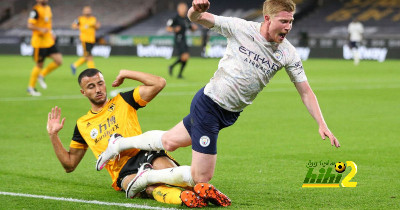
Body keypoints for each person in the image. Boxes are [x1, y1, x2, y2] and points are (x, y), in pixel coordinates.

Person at [97, 0, 340, 206]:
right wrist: (195, 9)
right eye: (284, 21)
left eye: (291, 22)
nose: (288, 27)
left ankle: (119, 143)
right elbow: (198, 18)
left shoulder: (288, 53)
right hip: (209, 104)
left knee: (170, 140)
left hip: (229, 114)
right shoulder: (240, 28)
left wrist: (322, 123)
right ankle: (144, 179)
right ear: (267, 18)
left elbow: (305, 91)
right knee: (201, 176)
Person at [46, 68, 199, 205]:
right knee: (147, 188)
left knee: (182, 180)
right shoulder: (82, 124)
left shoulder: (124, 100)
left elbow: (159, 83)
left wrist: (126, 73)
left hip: (145, 154)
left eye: (100, 83)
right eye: (91, 87)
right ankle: (183, 198)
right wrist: (53, 135)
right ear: (83, 92)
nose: (98, 89)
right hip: (123, 172)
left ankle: (202, 192)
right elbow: (69, 165)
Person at [27, 0, 62, 96]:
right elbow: (30, 25)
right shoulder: (35, 11)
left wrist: (51, 32)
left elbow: (47, 24)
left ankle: (41, 75)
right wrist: (40, 29)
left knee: (59, 61)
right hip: (39, 42)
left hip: (49, 41)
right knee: (39, 65)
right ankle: (31, 88)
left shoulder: (48, 8)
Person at [166, 2, 198, 79]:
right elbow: (168, 28)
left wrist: (194, 28)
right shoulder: (175, 18)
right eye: (182, 8)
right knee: (185, 56)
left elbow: (191, 29)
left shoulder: (186, 19)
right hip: (178, 39)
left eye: (185, 8)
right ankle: (174, 69)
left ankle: (174, 69)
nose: (184, 10)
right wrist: (174, 29)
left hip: (184, 39)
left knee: (186, 57)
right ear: (178, 9)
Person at [70, 6, 100, 75]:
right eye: (86, 10)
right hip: (85, 39)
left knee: (86, 56)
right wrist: (81, 27)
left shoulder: (93, 19)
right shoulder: (80, 19)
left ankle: (74, 65)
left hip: (92, 39)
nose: (87, 12)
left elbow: (98, 26)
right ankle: (94, 72)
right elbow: (73, 26)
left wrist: (94, 25)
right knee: (89, 56)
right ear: (83, 12)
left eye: (89, 10)